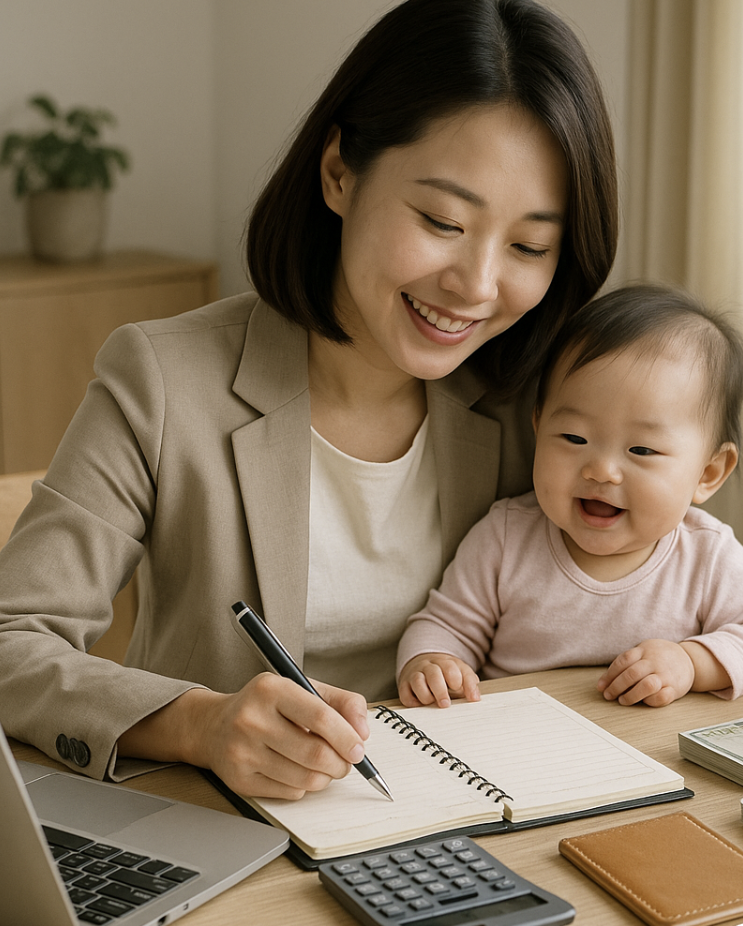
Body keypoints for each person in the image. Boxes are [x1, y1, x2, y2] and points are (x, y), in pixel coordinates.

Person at [0, 0, 618, 800]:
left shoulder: (535, 407)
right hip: (227, 829)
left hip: (475, 821)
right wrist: (201, 722)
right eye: (441, 220)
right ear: (339, 173)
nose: (476, 286)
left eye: (530, 246)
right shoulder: (162, 380)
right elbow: (13, 638)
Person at [397, 284, 743, 709]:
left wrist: (691, 661)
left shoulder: (705, 557)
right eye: (574, 437)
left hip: (651, 756)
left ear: (708, 473)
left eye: (642, 450)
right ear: (538, 429)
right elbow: (445, 625)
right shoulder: (505, 538)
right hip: (521, 747)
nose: (601, 470)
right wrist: (434, 662)